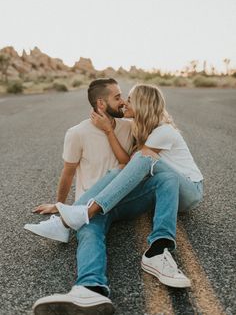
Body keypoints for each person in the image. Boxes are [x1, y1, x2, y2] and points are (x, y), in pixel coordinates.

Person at [25, 80, 203, 315]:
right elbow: (67, 172)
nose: (124, 103)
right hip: (98, 200)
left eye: (127, 98)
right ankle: (90, 288)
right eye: (119, 97)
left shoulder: (146, 130)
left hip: (176, 190)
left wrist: (109, 132)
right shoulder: (81, 132)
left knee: (151, 167)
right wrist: (61, 204)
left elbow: (132, 164)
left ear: (141, 105)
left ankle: (153, 249)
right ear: (101, 103)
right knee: (90, 231)